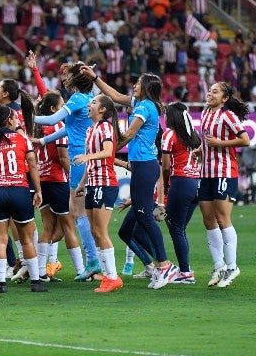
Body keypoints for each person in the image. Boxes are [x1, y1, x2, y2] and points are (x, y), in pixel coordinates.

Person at [83, 68, 179, 289]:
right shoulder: (141, 103)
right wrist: (95, 78)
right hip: (141, 166)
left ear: (146, 87)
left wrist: (108, 150)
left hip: (145, 165)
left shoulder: (145, 107)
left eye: (138, 83)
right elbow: (115, 97)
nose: (134, 85)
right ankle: (160, 265)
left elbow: (129, 134)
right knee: (138, 218)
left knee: (144, 216)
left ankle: (164, 265)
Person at [33, 62, 101, 282]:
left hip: (78, 158)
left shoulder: (78, 99)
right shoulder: (87, 98)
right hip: (84, 156)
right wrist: (43, 140)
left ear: (74, 79)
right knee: (81, 213)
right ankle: (93, 262)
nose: (64, 79)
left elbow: (53, 119)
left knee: (78, 213)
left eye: (67, 76)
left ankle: (92, 263)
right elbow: (67, 127)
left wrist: (25, 117)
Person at [0, 105, 47, 293]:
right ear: (9, 120)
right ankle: (35, 282)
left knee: (0, 240)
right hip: (19, 190)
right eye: (15, 117)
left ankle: (1, 284)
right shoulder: (22, 138)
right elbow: (32, 165)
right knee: (26, 240)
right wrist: (38, 191)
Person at [198, 82, 250, 288]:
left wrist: (220, 144)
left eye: (215, 91)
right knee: (208, 219)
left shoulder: (227, 116)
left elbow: (245, 140)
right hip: (206, 173)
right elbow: (207, 142)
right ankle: (219, 266)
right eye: (209, 90)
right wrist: (200, 151)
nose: (210, 94)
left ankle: (232, 266)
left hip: (225, 172)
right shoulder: (204, 113)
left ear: (225, 98)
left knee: (222, 218)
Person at [73, 95, 124, 292]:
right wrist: (82, 183)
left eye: (93, 102)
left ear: (102, 110)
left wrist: (87, 156)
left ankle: (112, 277)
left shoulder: (105, 128)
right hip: (93, 184)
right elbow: (92, 162)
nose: (89, 104)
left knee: (100, 231)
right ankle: (107, 275)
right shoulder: (90, 129)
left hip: (105, 183)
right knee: (94, 231)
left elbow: (108, 152)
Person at [33, 91, 85, 281]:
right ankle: (81, 271)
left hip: (43, 181)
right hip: (58, 181)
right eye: (62, 105)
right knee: (69, 226)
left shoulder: (37, 129)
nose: (65, 108)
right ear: (54, 109)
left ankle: (39, 271)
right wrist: (75, 180)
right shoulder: (59, 126)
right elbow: (64, 158)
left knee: (48, 227)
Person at [161, 102, 202, 284]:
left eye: (166, 115)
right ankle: (184, 270)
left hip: (180, 181)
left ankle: (185, 272)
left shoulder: (169, 134)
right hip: (195, 184)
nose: (165, 118)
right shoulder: (193, 136)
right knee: (179, 229)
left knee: (176, 228)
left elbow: (166, 165)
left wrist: (166, 184)